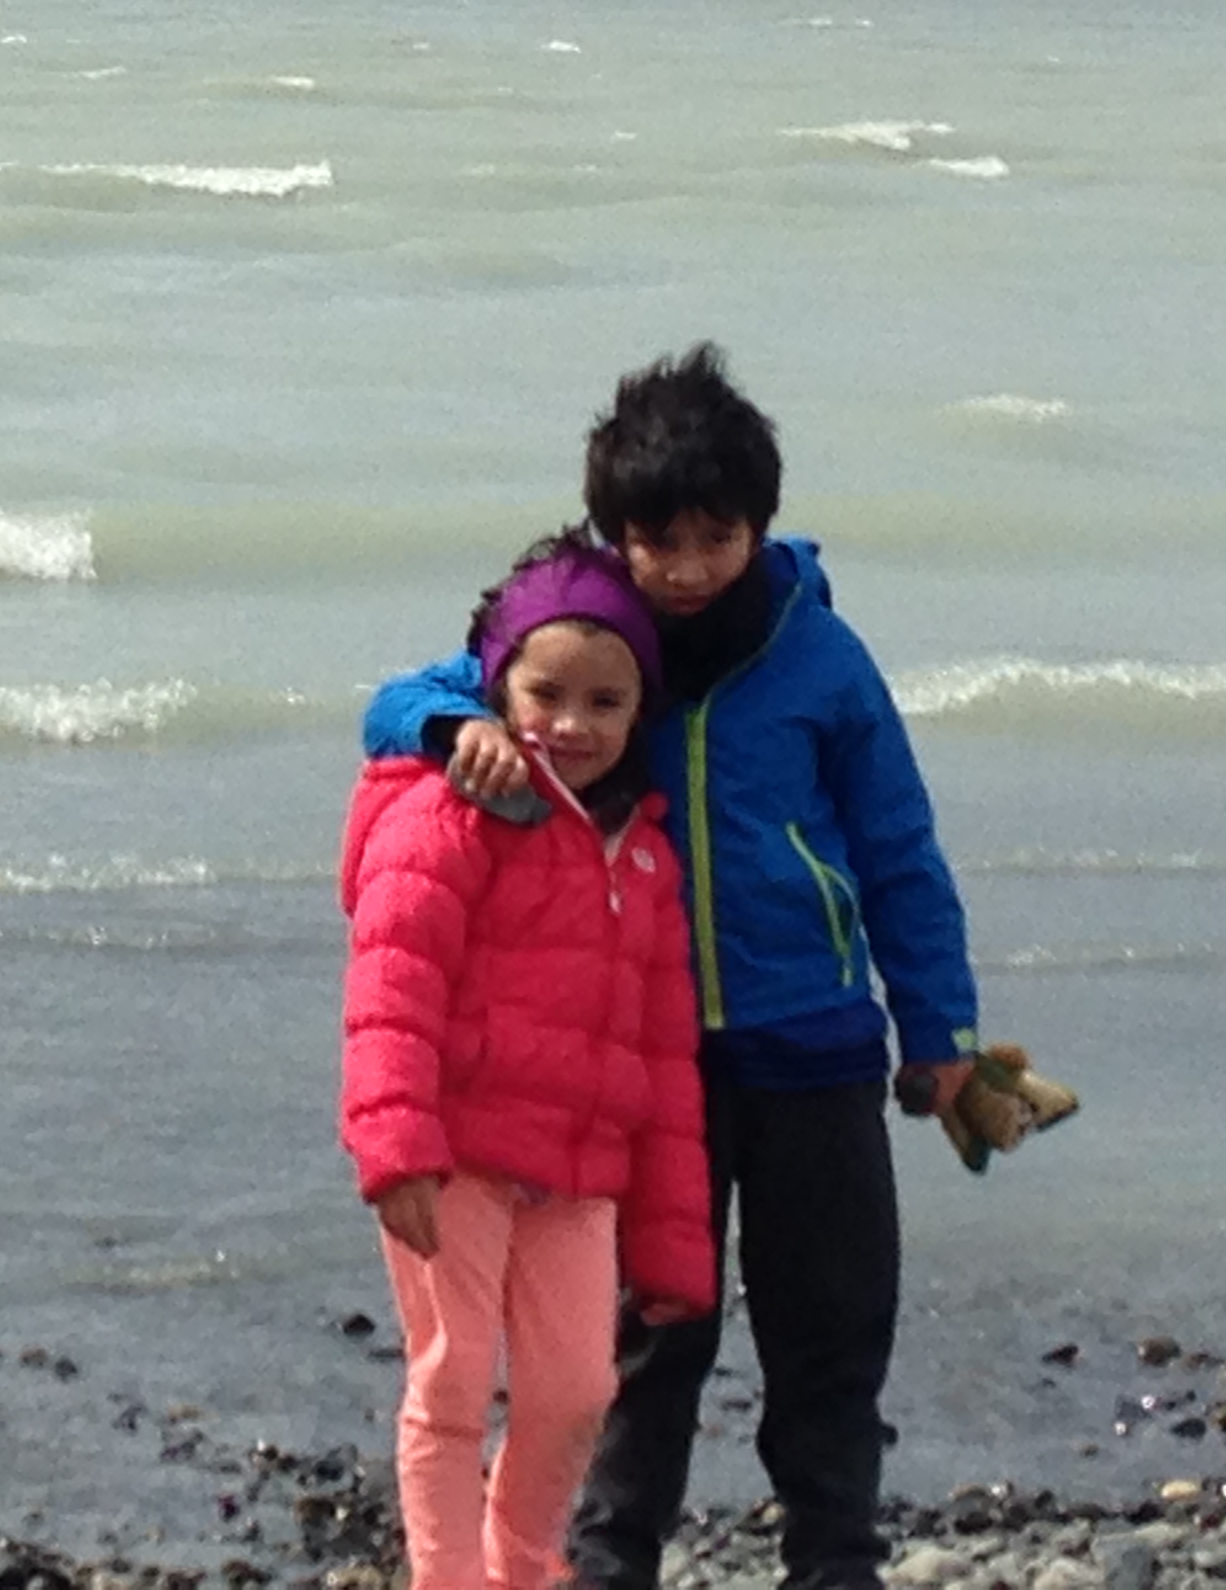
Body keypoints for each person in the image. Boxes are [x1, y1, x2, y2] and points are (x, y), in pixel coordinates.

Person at [360, 344, 981, 1590]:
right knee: (646, 1344)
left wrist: (941, 1034)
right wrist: (452, 726)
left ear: (760, 523)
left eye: (718, 533)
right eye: (660, 538)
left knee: (832, 1334)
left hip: (813, 1044)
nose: (689, 567)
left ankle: (835, 1563)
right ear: (615, 535)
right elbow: (400, 699)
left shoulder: (823, 659)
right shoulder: (587, 647)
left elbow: (900, 850)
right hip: (648, 1066)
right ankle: (605, 1566)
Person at [340, 537, 715, 1590]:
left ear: (640, 713)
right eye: (545, 693)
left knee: (578, 1390)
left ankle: (519, 1565)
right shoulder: (452, 811)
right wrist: (396, 1143)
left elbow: (664, 1058)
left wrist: (675, 1242)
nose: (571, 723)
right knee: (453, 1375)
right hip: (450, 1150)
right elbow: (389, 983)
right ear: (495, 687)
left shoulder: (643, 853)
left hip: (578, 1173)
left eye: (605, 701)